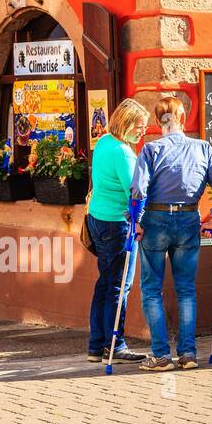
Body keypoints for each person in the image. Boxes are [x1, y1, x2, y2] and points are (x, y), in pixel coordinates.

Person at [131, 97, 212, 372]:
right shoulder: (203, 148)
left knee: (151, 289)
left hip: (156, 219)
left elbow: (138, 191)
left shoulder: (151, 150)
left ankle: (161, 356)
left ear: (157, 122)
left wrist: (136, 223)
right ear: (183, 118)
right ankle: (188, 354)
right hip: (189, 218)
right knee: (186, 288)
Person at [85, 99, 151, 364]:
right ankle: (116, 345)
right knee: (118, 286)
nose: (142, 132)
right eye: (139, 126)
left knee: (104, 284)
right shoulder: (123, 152)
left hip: (98, 220)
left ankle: (96, 346)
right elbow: (135, 192)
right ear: (126, 123)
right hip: (117, 225)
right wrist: (142, 220)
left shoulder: (103, 142)